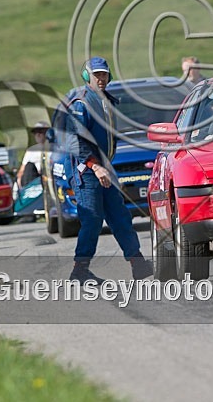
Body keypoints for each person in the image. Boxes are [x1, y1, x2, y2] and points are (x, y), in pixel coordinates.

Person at [64, 56, 153, 283]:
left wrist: (105, 168)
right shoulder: (81, 103)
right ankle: (80, 270)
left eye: (104, 74)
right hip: (85, 169)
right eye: (96, 75)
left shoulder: (107, 101)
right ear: (87, 76)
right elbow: (75, 141)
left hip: (104, 168)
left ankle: (138, 263)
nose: (101, 78)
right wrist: (95, 166)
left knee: (120, 215)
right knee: (92, 219)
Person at [16, 121, 49, 188]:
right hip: (33, 181)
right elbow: (22, 170)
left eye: (40, 132)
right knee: (29, 166)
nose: (38, 135)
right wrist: (18, 180)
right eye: (35, 133)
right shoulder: (31, 151)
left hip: (48, 178)